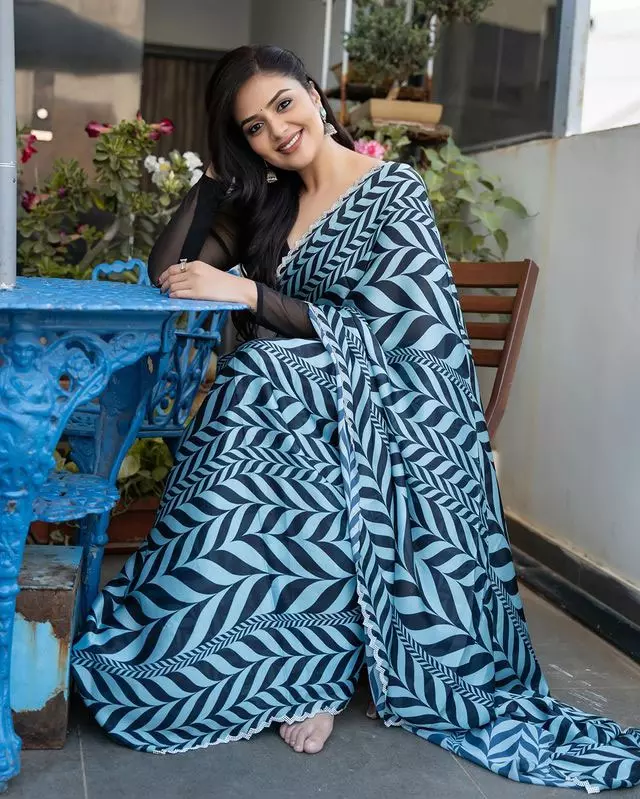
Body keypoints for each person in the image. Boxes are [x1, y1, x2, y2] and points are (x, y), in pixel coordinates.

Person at [71, 45, 640, 790]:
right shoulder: (270, 205)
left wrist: (250, 295)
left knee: (262, 379)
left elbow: (409, 336)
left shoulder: (392, 191)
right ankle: (242, 646)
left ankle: (314, 666)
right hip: (295, 400)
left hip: (394, 404)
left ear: (313, 94)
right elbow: (168, 270)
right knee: (260, 382)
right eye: (252, 127)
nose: (277, 130)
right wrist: (214, 179)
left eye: (283, 104)